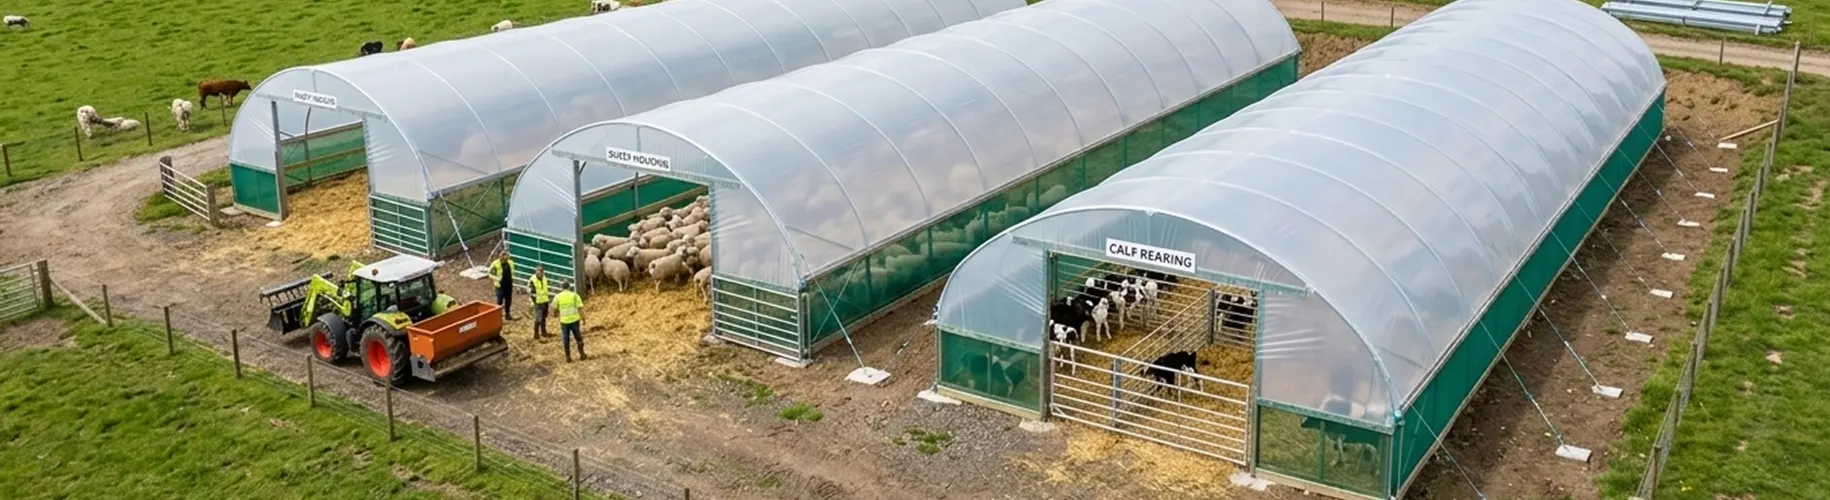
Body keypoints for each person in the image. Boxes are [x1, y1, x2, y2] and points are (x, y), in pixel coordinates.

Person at [554, 281, 586, 362]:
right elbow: (580, 308)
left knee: (566, 339)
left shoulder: (558, 296)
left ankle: (568, 357)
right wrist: (583, 318)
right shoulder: (574, 295)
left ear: (562, 287)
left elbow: (554, 307)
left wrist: (556, 314)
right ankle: (582, 354)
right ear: (569, 287)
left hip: (564, 321)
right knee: (578, 338)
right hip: (574, 320)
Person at [488, 249, 515, 321]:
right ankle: (498, 316)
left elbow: (512, 272)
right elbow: (490, 274)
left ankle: (507, 314)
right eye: (503, 255)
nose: (505, 256)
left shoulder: (511, 263)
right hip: (500, 286)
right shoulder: (495, 264)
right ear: (499, 256)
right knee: (500, 301)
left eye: (506, 254)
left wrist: (512, 279)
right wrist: (497, 278)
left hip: (508, 284)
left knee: (508, 300)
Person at [529, 265, 551, 341]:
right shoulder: (532, 280)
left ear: (543, 273)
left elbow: (546, 289)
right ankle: (536, 334)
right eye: (537, 272)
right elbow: (530, 292)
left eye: (540, 272)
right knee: (538, 318)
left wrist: (547, 299)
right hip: (538, 302)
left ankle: (544, 332)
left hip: (545, 300)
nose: (539, 274)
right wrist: (533, 301)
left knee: (544, 317)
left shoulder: (545, 278)